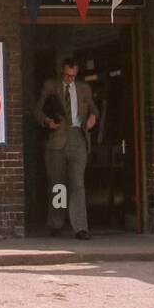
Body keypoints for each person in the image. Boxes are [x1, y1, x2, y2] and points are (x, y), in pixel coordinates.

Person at [34, 57, 98, 240]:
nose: (70, 79)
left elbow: (94, 109)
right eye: (67, 75)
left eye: (73, 76)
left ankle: (80, 227)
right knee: (57, 184)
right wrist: (47, 121)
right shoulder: (50, 86)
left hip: (78, 138)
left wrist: (93, 117)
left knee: (78, 184)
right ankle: (56, 222)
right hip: (56, 140)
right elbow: (37, 110)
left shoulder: (84, 89)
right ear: (62, 71)